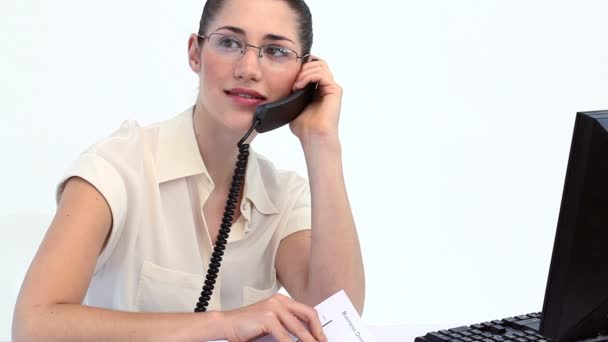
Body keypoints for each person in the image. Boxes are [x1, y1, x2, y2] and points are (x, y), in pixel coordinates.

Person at [12, 0, 365, 340]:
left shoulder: (283, 195)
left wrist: (322, 142)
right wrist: (223, 325)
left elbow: (337, 319)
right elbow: (34, 325)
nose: (249, 69)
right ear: (195, 53)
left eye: (275, 51)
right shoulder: (117, 167)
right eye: (229, 43)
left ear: (301, 77)